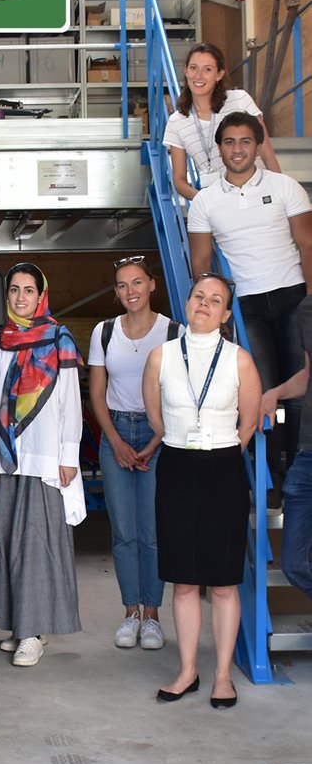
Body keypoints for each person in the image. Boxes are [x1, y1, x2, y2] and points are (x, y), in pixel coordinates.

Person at [142, 274, 260, 708]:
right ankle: (188, 670)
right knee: (185, 581)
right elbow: (156, 416)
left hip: (223, 470)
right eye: (198, 297)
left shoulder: (239, 360)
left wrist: (219, 450)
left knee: (224, 583)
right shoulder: (161, 356)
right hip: (176, 467)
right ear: (187, 304)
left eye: (216, 301)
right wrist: (183, 441)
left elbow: (248, 422)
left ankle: (223, 675)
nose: (205, 305)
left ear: (226, 314)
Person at [188, 112, 312, 480]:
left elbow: (307, 244)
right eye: (229, 142)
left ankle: (300, 469)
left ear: (258, 146)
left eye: (245, 141)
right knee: (261, 388)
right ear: (219, 149)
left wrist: (310, 302)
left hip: (293, 297)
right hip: (246, 306)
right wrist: (217, 311)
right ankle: (271, 476)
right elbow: (201, 265)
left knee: (300, 384)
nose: (237, 149)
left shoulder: (286, 186)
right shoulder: (205, 201)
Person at [0, 264, 84, 667]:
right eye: (14, 290)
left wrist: (69, 456)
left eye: (29, 290)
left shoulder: (59, 340)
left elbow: (71, 402)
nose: (21, 298)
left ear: (42, 295)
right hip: (2, 460)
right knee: (4, 545)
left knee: (35, 547)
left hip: (43, 458)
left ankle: (34, 633)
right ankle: (19, 627)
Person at [88, 256, 182, 651]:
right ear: (116, 293)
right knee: (125, 533)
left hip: (159, 433)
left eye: (137, 283)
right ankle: (130, 613)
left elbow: (179, 395)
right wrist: (117, 443)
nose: (131, 291)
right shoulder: (104, 332)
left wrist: (153, 441)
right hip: (116, 434)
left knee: (153, 532)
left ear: (152, 285)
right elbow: (95, 393)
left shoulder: (173, 331)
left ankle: (153, 617)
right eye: (123, 285)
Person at [164, 43, 281, 202]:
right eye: (193, 68)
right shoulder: (176, 121)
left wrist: (281, 191)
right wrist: (205, 200)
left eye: (207, 69)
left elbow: (267, 153)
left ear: (219, 74)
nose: (198, 76)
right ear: (185, 71)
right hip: (220, 202)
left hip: (257, 193)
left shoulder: (240, 100)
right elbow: (178, 180)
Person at [260, 295, 312, 600]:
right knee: (295, 563)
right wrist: (275, 392)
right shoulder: (306, 309)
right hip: (307, 454)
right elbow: (308, 373)